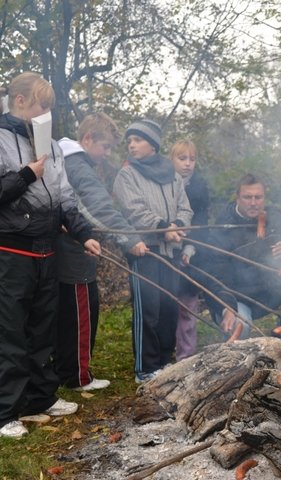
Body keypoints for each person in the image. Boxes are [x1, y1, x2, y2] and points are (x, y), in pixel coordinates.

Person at [0, 73, 101, 438]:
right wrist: (26, 175)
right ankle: (5, 410)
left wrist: (83, 233)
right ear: (21, 100)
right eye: (43, 107)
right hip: (11, 250)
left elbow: (64, 197)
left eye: (51, 110)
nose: (48, 116)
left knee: (43, 327)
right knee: (11, 332)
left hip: (47, 249)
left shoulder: (54, 146)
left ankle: (40, 399)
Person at [56, 113, 147, 391]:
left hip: (65, 249)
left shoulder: (64, 158)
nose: (107, 153)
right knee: (82, 312)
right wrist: (129, 238)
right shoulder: (78, 165)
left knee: (68, 314)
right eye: (105, 146)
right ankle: (77, 377)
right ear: (87, 139)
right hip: (73, 254)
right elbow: (98, 208)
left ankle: (66, 371)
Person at [112, 119, 193, 383]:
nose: (132, 145)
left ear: (153, 145)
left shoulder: (173, 174)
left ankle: (164, 362)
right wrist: (161, 227)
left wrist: (179, 226)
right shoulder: (127, 174)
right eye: (129, 141)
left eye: (137, 140)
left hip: (171, 250)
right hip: (145, 251)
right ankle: (145, 369)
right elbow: (133, 209)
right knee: (149, 309)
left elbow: (185, 207)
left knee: (169, 307)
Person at [195, 173, 281, 339]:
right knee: (240, 325)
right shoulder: (223, 229)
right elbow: (215, 275)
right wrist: (227, 307)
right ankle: (236, 361)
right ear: (237, 198)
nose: (253, 203)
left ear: (265, 198)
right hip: (235, 297)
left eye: (258, 197)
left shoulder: (276, 218)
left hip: (268, 292)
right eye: (247, 197)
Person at [169, 139, 210, 361]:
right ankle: (165, 353)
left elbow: (202, 221)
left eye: (192, 159)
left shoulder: (200, 187)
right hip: (166, 249)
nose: (187, 164)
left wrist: (192, 247)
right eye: (182, 158)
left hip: (190, 254)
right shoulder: (164, 183)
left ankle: (186, 355)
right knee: (167, 306)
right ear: (171, 159)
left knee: (188, 306)